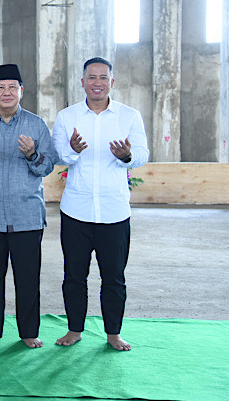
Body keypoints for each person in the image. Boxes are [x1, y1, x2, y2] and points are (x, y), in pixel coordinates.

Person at [51, 57, 149, 351]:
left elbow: (142, 154)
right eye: (91, 77)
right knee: (74, 276)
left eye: (103, 78)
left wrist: (127, 156)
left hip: (114, 211)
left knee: (114, 278)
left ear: (112, 82)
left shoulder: (129, 116)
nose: (97, 83)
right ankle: (74, 330)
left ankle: (113, 333)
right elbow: (57, 156)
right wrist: (71, 151)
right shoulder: (67, 117)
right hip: (76, 211)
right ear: (82, 83)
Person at [0, 64, 58, 349]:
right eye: (1, 88)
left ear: (21, 91)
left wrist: (32, 153)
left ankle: (28, 331)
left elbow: (47, 166)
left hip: (26, 215)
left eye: (12, 87)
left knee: (27, 278)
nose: (7, 93)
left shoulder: (36, 125)